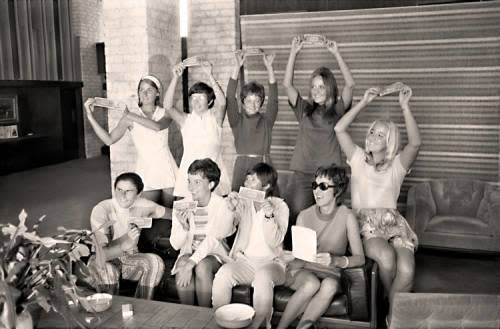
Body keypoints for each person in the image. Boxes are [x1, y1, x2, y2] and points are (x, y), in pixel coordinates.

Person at [334, 86, 421, 310]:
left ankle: (391, 315)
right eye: (372, 131)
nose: (373, 136)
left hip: (393, 222)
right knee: (386, 257)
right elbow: (339, 128)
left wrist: (405, 107)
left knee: (407, 270)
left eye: (381, 134)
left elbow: (415, 144)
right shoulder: (357, 158)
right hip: (366, 223)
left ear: (390, 142)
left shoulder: (398, 166)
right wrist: (363, 102)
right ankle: (388, 309)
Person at [282, 36, 356, 242]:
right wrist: (293, 52)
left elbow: (350, 85)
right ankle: (297, 264)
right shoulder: (304, 110)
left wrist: (336, 53)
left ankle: (324, 262)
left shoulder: (338, 110)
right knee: (296, 218)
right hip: (302, 175)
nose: (316, 91)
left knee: (326, 224)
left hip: (329, 177)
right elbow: (287, 84)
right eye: (313, 87)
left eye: (322, 86)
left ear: (330, 88)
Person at [276, 165, 364, 329]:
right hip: (304, 269)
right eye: (315, 186)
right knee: (311, 284)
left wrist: (336, 260)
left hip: (331, 271)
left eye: (323, 186)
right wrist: (290, 256)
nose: (317, 191)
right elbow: (300, 256)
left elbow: (360, 258)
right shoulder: (304, 215)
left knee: (329, 284)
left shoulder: (347, 216)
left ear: (337, 191)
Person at [212, 163, 289, 329]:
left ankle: (261, 326)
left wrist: (269, 216)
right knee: (223, 274)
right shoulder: (243, 203)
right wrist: (229, 210)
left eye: (252, 180)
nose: (246, 183)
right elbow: (222, 232)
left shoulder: (281, 207)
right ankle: (219, 322)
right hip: (245, 262)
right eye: (246, 179)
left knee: (262, 278)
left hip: (272, 264)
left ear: (266, 185)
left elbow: (274, 241)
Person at [84, 75, 177, 207]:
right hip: (146, 171)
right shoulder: (129, 118)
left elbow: (157, 126)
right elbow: (108, 140)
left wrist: (128, 114)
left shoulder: (166, 113)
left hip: (168, 169)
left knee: (171, 214)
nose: (145, 93)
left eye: (149, 89)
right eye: (141, 90)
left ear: (157, 93)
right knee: (147, 215)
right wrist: (90, 116)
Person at [89, 172, 166, 300]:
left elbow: (171, 213)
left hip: (130, 259)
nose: (122, 195)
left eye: (129, 191)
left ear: (139, 193)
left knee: (155, 262)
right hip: (101, 260)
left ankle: (143, 306)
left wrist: (186, 216)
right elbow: (102, 254)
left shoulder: (144, 205)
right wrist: (125, 244)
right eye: (119, 190)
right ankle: (110, 313)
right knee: (108, 270)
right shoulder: (102, 209)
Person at [169, 158, 235, 307]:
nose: (191, 187)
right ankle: (190, 319)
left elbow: (215, 238)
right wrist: (184, 226)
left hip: (215, 254)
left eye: (197, 182)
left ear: (211, 184)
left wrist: (191, 263)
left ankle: (204, 317)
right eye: (189, 181)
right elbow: (174, 245)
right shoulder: (181, 205)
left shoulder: (223, 205)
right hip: (188, 252)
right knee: (182, 265)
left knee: (202, 265)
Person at [164, 61, 230, 199]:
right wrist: (175, 77)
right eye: (193, 98)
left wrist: (209, 75)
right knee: (187, 217)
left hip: (214, 176)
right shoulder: (185, 120)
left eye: (201, 98)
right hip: (189, 175)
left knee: (215, 216)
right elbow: (168, 106)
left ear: (210, 101)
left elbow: (223, 102)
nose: (196, 102)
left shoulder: (216, 119)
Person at [226, 50, 278, 191]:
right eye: (248, 100)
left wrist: (269, 68)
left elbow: (273, 99)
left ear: (261, 103)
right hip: (242, 167)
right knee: (239, 206)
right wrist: (237, 66)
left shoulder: (267, 121)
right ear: (243, 102)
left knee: (267, 205)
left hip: (263, 166)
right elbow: (230, 97)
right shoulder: (236, 120)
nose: (252, 104)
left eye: (257, 100)